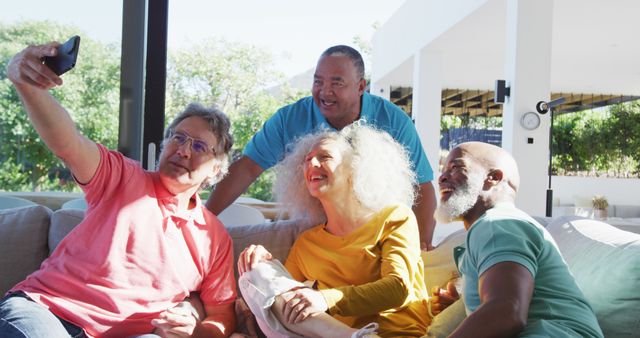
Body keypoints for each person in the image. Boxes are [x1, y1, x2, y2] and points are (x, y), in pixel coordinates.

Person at [0, 42, 237, 337]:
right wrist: (28, 87)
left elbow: (222, 316)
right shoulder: (123, 176)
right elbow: (69, 143)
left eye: (199, 146)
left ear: (216, 170)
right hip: (46, 311)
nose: (183, 150)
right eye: (178, 138)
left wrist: (195, 331)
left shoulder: (214, 238)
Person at [206, 45, 439, 251]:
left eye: (337, 83)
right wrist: (203, 220)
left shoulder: (393, 120)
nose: (325, 91)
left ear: (360, 87)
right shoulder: (289, 119)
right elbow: (247, 168)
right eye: (318, 81)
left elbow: (423, 186)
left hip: (376, 235)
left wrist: (418, 248)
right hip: (311, 231)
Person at [237, 124, 431, 338]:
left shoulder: (395, 217)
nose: (311, 162)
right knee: (256, 275)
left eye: (325, 156)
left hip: (395, 334)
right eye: (307, 159)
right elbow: (281, 297)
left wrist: (324, 299)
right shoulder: (307, 243)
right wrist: (269, 265)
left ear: (356, 167)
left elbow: (398, 288)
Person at [433, 141, 603, 337]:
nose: (442, 177)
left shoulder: (497, 225)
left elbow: (506, 312)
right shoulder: (496, 226)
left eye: (456, 167)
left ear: (494, 178)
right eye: (443, 169)